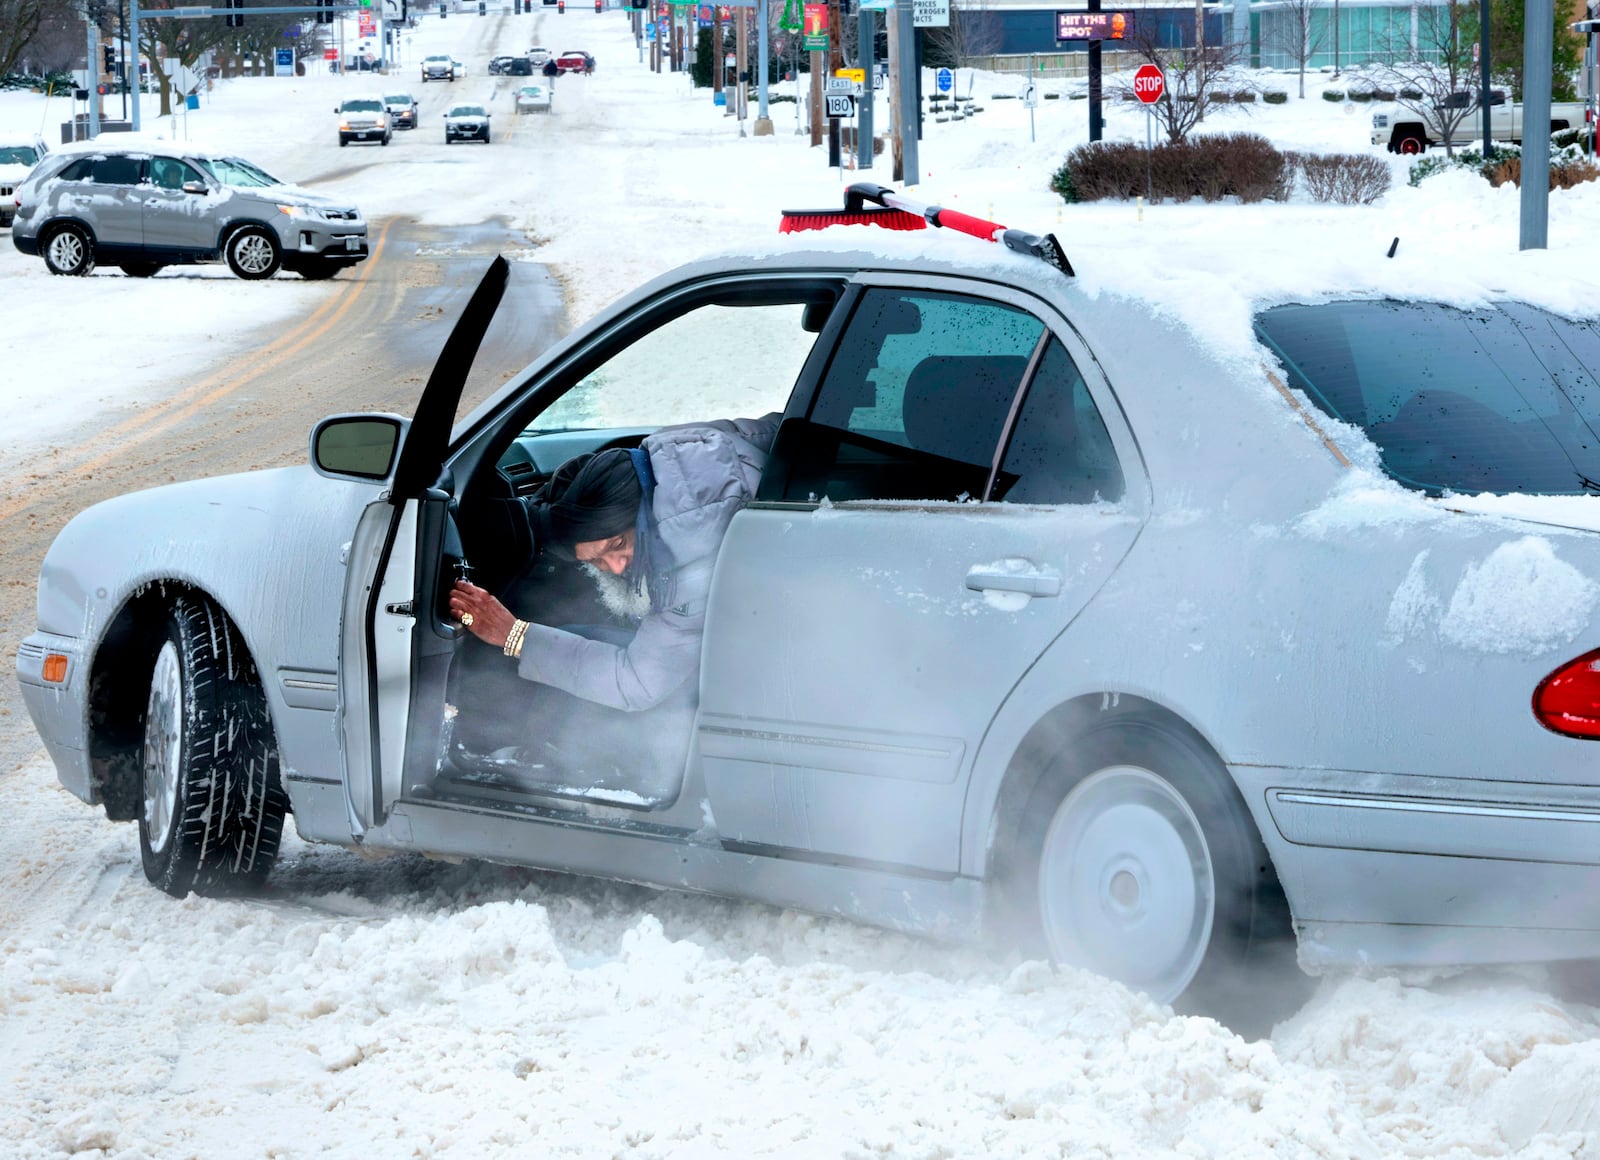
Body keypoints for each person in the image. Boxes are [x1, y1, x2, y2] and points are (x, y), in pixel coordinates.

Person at [447, 414, 780, 794]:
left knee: (568, 669)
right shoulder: (693, 448)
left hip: (752, 684)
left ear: (637, 509)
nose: (618, 567)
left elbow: (636, 684)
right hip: (767, 645)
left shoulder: (689, 567)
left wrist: (515, 635)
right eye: (596, 562)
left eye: (617, 544)